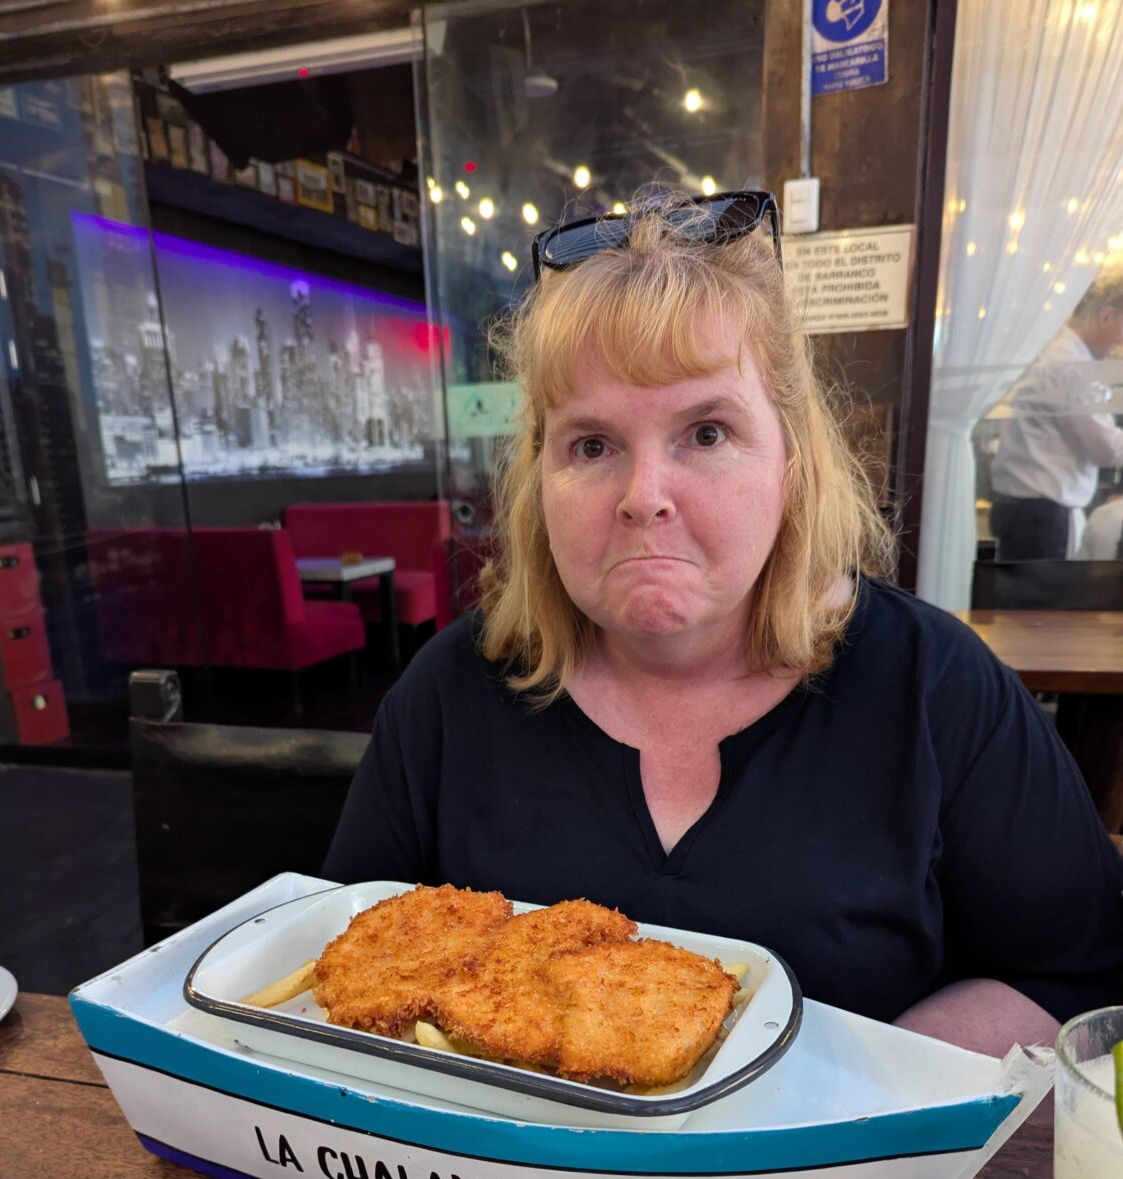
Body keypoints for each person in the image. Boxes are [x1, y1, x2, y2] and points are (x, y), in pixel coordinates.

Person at [325, 189, 1123, 1057]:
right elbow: (351, 972)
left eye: (705, 432)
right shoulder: (448, 696)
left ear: (792, 459)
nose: (644, 499)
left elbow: (1074, 976)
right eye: (591, 445)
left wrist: (849, 1092)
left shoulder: (939, 689)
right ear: (538, 480)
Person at [989, 269, 1123, 560]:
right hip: (1042, 517)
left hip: (1028, 511)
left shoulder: (1056, 350)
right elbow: (1106, 448)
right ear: (1107, 316)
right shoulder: (1069, 365)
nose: (1121, 345)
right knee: (1046, 604)